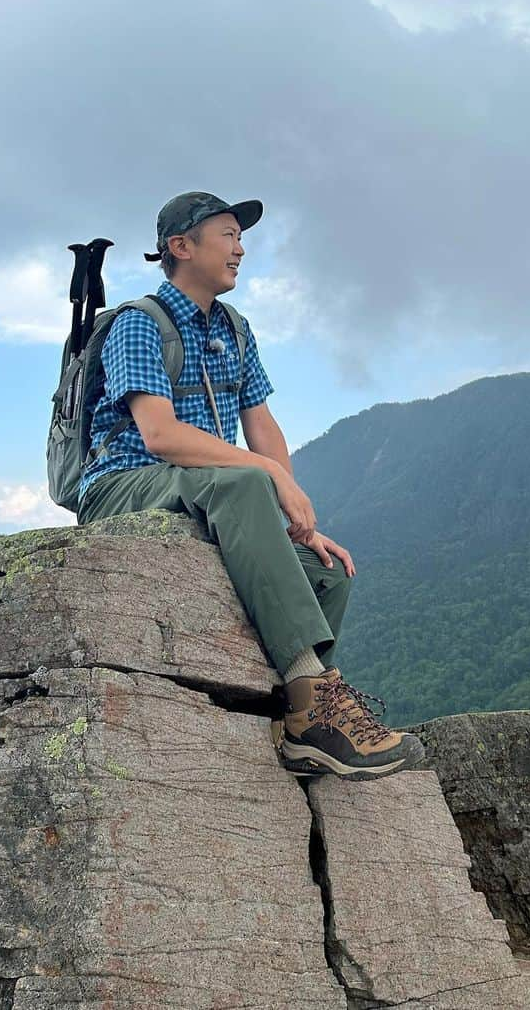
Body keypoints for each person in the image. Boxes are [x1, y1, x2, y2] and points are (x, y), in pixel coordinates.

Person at [77, 190, 423, 780]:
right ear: (180, 248)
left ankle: (298, 721)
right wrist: (265, 476)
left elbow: (260, 425)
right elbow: (159, 436)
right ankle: (318, 701)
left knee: (327, 571)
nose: (240, 250)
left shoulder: (234, 329)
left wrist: (298, 520)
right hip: (123, 484)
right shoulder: (139, 325)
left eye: (242, 238)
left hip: (200, 485)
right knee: (242, 487)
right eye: (227, 236)